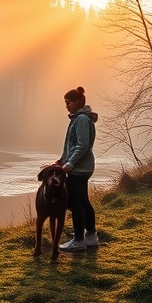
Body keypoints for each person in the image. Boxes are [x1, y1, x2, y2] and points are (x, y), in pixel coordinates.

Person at [55, 86, 99, 252]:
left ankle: (79, 240)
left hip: (79, 169)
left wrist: (69, 164)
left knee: (75, 203)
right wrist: (62, 159)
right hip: (81, 167)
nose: (66, 106)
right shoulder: (79, 118)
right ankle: (91, 237)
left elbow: (82, 146)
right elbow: (71, 145)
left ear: (78, 102)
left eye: (68, 103)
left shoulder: (81, 120)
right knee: (84, 201)